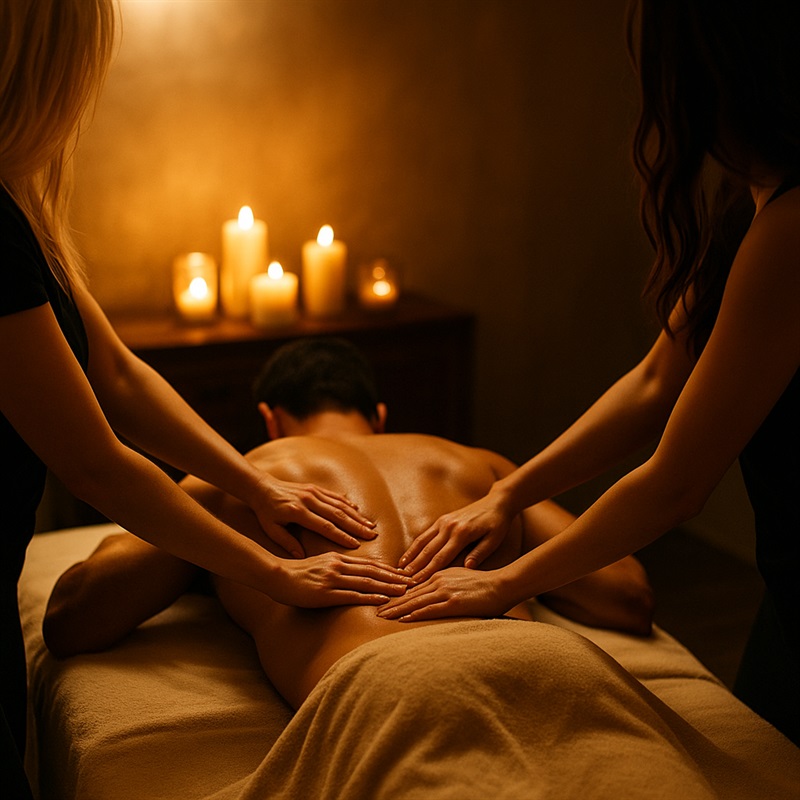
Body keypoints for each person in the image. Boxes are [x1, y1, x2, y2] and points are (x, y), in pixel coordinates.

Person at [0, 2, 406, 792]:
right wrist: (272, 571)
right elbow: (97, 465)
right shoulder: (478, 467)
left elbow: (118, 376)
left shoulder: (21, 208)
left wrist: (252, 482)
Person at [380, 0, 800, 745]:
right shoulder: (750, 208)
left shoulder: (792, 229)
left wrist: (505, 583)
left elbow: (676, 484)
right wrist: (509, 493)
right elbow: (654, 385)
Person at [42, 338, 654, 711]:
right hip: (548, 666)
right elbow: (626, 596)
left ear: (270, 420)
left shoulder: (244, 479)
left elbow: (73, 617)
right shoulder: (481, 468)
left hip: (389, 689)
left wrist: (207, 551)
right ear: (379, 416)